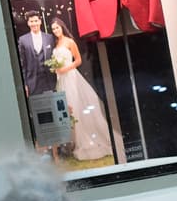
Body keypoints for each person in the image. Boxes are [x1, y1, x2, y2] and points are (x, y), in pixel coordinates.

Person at [50, 19, 113, 161]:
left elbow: (78, 60)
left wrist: (65, 68)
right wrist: (55, 69)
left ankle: (83, 141)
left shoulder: (69, 42)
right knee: (66, 110)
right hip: (61, 80)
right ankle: (69, 144)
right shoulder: (56, 44)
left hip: (71, 77)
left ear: (62, 27)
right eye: (53, 29)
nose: (55, 31)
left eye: (57, 28)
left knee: (76, 107)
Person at [17, 11, 57, 98]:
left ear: (40, 21)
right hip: (33, 82)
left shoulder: (49, 37)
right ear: (28, 23)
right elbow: (22, 64)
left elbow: (54, 57)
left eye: (36, 21)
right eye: (31, 21)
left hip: (49, 81)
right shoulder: (23, 40)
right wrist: (25, 84)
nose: (34, 23)